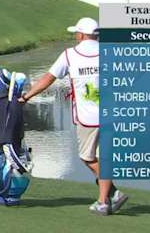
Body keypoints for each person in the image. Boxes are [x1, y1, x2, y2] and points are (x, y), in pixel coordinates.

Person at [19, 17, 128, 216]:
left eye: (76, 34)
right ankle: (111, 195)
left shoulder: (70, 55)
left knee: (87, 157)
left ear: (80, 35)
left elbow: (48, 78)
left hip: (88, 117)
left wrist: (26, 96)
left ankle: (107, 199)